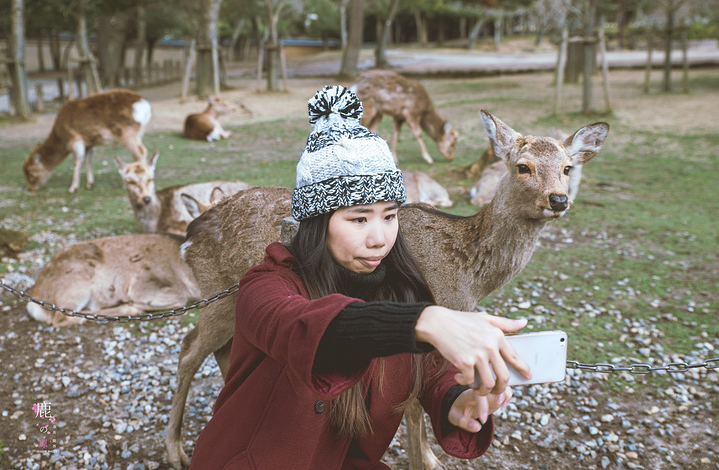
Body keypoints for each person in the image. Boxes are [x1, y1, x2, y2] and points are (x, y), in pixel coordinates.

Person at [188, 85, 531, 469]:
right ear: (318, 222)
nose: (380, 237)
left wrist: (459, 401)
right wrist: (426, 320)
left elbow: (434, 373)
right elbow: (307, 331)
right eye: (359, 218)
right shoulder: (266, 288)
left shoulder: (400, 290)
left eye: (390, 215)